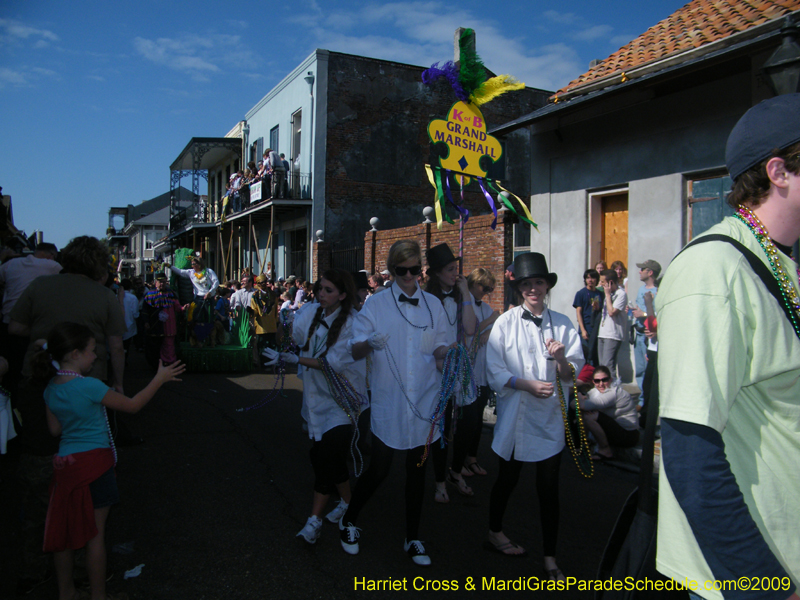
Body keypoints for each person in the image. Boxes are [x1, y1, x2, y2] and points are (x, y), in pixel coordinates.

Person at [655, 94, 800, 598]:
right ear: (779, 171)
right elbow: (688, 449)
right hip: (753, 574)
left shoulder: (785, 267)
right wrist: (763, 587)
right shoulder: (714, 271)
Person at [33, 322, 184, 600]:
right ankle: (98, 596)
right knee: (95, 536)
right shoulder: (90, 386)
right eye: (92, 351)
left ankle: (66, 593)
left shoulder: (51, 388)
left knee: (63, 536)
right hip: (95, 464)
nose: (95, 356)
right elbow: (133, 405)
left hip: (65, 466)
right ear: (75, 353)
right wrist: (159, 379)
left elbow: (55, 430)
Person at [339, 240, 450, 566]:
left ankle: (413, 538)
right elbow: (353, 349)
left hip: (424, 402)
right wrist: (368, 344)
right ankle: (349, 520)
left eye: (414, 270)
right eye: (401, 270)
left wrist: (451, 356)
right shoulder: (376, 305)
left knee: (418, 472)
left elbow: (440, 348)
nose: (408, 276)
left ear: (421, 270)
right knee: (380, 469)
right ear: (392, 269)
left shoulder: (433, 305)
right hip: (390, 401)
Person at [485, 252, 583, 580]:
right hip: (515, 416)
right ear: (519, 289)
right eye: (527, 284)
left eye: (538, 282)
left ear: (546, 286)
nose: (533, 289)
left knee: (548, 489)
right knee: (507, 479)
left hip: (549, 420)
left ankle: (550, 559)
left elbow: (572, 376)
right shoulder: (505, 323)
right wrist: (523, 383)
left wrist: (560, 359)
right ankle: (495, 531)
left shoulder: (564, 324)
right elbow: (494, 369)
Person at [264, 270, 366, 544]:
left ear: (343, 295)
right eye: (320, 288)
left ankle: (314, 522)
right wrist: (281, 322)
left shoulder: (353, 324)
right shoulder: (308, 312)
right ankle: (348, 501)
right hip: (315, 399)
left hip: (343, 401)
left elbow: (332, 363)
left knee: (326, 460)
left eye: (329, 290)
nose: (321, 294)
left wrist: (295, 360)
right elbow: (293, 341)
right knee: (322, 457)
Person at [425, 243, 477, 503]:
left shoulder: (460, 297)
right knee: (441, 429)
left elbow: (469, 329)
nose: (455, 273)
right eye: (449, 269)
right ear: (436, 273)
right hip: (438, 372)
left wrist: (465, 291)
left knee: (466, 426)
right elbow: (425, 344)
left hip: (460, 370)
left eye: (456, 268)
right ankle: (439, 481)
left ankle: (456, 472)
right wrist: (441, 358)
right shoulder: (427, 302)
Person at [458, 267, 499, 479]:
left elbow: (494, 328)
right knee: (468, 420)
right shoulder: (464, 305)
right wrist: (492, 320)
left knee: (478, 421)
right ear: (473, 283)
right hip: (468, 371)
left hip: (483, 371)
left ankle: (471, 457)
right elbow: (470, 330)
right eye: (484, 286)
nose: (487, 291)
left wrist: (492, 327)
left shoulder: (486, 307)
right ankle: (459, 460)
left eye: (490, 288)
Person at [576, 365, 639, 460]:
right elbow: (574, 405)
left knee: (590, 416)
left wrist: (579, 396)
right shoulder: (595, 392)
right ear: (593, 382)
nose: (601, 384)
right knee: (585, 414)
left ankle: (605, 450)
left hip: (629, 435)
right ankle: (585, 444)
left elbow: (583, 405)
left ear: (610, 379)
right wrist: (580, 400)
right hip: (615, 430)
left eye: (604, 380)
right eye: (597, 381)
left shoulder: (614, 392)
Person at [630, 260, 660, 396]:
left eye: (642, 269)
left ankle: (648, 400)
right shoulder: (641, 290)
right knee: (640, 369)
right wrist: (633, 311)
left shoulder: (659, 291)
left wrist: (644, 314)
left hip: (651, 337)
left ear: (650, 272)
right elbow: (639, 309)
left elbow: (659, 313)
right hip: (639, 333)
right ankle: (642, 401)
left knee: (650, 371)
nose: (639, 271)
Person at [141, 273, 183, 368]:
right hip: (154, 326)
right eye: (160, 282)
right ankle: (155, 365)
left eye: (164, 282)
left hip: (168, 326)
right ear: (156, 282)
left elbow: (177, 306)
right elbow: (145, 310)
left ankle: (169, 363)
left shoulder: (171, 294)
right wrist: (146, 322)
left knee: (169, 345)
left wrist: (183, 308)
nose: (162, 284)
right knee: (154, 347)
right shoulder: (149, 294)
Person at [596, 269, 627, 384]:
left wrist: (608, 295)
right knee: (602, 366)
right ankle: (605, 390)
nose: (601, 284)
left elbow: (612, 312)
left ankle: (615, 390)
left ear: (611, 283)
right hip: (603, 332)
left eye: (603, 282)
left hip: (613, 335)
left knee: (608, 366)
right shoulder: (607, 295)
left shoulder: (621, 294)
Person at [572, 268, 604, 365]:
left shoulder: (600, 294)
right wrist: (583, 330)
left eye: (593, 278)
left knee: (595, 356)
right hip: (586, 327)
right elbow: (579, 312)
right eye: (588, 278)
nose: (590, 280)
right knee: (586, 354)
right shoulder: (581, 293)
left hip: (597, 328)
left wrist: (598, 308)